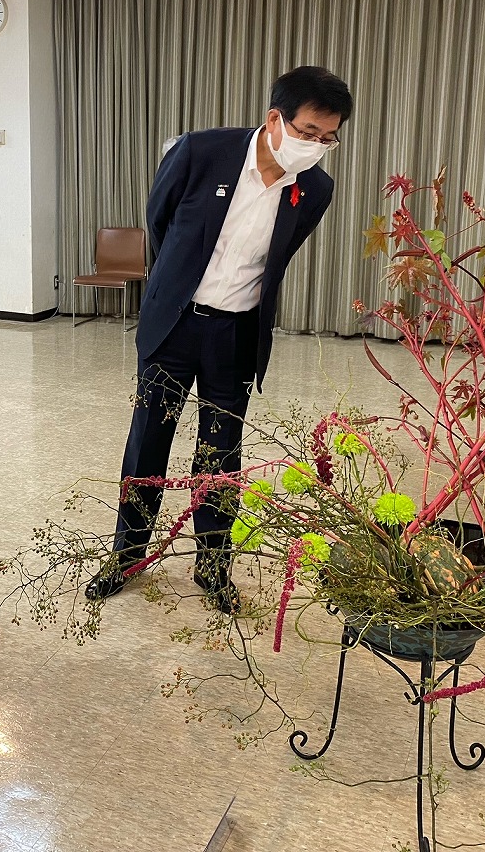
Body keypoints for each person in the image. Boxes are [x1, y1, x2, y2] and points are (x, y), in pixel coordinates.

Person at [85, 66, 353, 615]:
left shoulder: (316, 190)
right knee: (148, 440)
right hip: (175, 324)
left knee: (221, 452)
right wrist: (177, 285)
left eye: (328, 139)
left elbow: (277, 259)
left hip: (236, 332)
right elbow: (159, 224)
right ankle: (127, 554)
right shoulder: (200, 152)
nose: (316, 147)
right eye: (307, 133)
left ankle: (212, 564)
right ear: (274, 118)